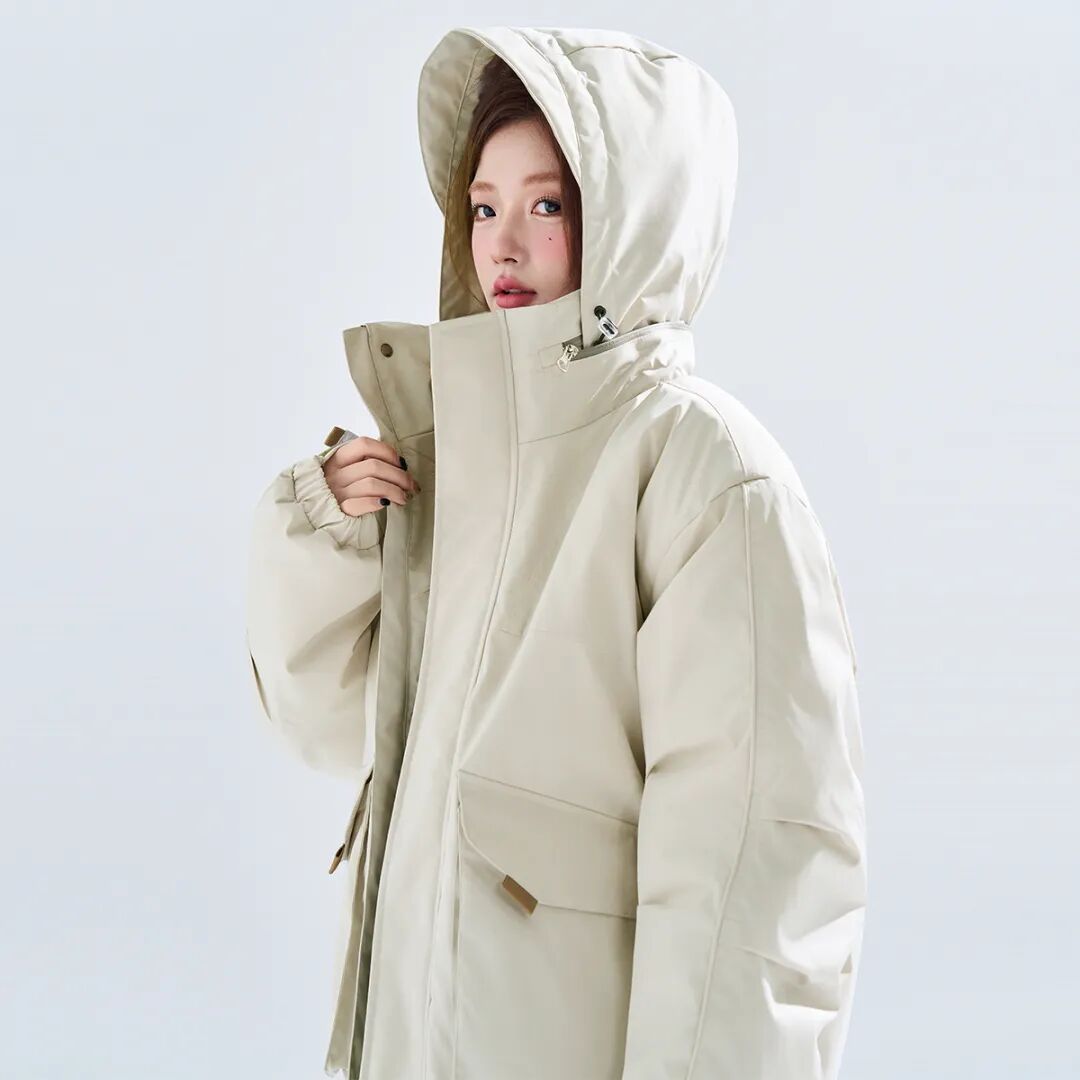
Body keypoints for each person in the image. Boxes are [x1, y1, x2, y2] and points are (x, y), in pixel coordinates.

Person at [245, 25, 867, 1080]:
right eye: (483, 207)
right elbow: (327, 728)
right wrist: (324, 539)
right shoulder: (457, 460)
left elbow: (755, 860)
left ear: (632, 221)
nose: (502, 245)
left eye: (547, 205)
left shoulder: (700, 466)